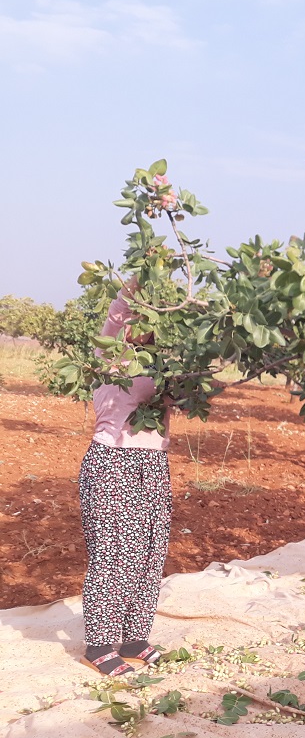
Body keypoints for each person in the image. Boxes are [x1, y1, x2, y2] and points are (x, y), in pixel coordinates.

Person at [78, 285, 172, 676]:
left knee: (150, 553)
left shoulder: (165, 367)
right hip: (113, 462)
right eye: (138, 320)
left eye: (150, 322)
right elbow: (117, 315)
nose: (140, 329)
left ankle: (134, 636)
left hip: (154, 466)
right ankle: (98, 643)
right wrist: (136, 282)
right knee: (115, 553)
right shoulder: (110, 357)